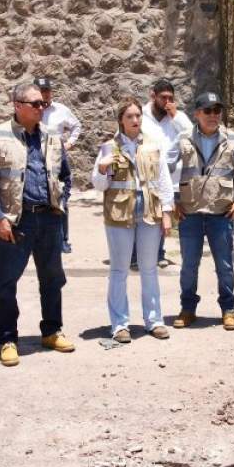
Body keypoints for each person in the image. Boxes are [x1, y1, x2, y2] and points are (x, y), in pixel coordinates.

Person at [0, 81, 74, 366]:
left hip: (49, 218)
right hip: (16, 221)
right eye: (36, 104)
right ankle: (7, 338)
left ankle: (52, 330)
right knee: (7, 282)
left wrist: (62, 202)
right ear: (17, 105)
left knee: (52, 278)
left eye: (43, 103)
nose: (42, 107)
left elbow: (66, 176)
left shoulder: (52, 138)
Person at [172, 92, 234, 331]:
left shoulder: (232, 138)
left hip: (221, 213)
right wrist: (172, 198)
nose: (213, 115)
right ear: (197, 114)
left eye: (217, 110)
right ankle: (187, 308)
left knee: (224, 264)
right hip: (190, 212)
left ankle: (228, 309)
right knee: (189, 265)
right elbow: (164, 168)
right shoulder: (183, 138)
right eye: (208, 111)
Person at [92, 97, 174, 343]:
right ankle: (119, 325)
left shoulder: (153, 144)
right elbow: (98, 184)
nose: (135, 120)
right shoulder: (108, 147)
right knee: (119, 269)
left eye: (138, 115)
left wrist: (167, 213)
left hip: (148, 210)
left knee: (149, 268)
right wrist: (103, 168)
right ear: (121, 120)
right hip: (119, 213)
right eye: (130, 116)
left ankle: (154, 321)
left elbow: (163, 179)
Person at [140, 78, 193, 268]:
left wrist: (176, 115)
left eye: (171, 98)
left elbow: (191, 132)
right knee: (148, 214)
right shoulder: (141, 115)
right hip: (147, 173)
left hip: (172, 176)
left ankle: (160, 253)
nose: (167, 102)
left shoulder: (176, 118)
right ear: (153, 96)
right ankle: (142, 254)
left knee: (166, 213)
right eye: (163, 97)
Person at [37, 77, 82, 254]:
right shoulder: (31, 111)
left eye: (47, 90)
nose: (44, 94)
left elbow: (76, 126)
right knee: (39, 199)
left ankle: (63, 239)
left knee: (61, 199)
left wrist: (69, 144)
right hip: (36, 159)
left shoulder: (61, 110)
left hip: (56, 160)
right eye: (41, 90)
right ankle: (41, 240)